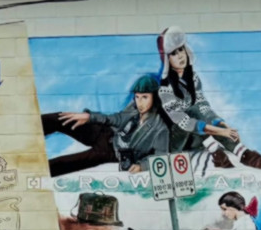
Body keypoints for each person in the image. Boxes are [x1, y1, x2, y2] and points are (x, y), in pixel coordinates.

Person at [155, 27, 261, 170]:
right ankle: (217, 153)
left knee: (199, 110)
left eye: (181, 50)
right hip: (178, 141)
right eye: (173, 53)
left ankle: (250, 158)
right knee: (192, 113)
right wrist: (221, 132)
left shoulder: (193, 79)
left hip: (198, 136)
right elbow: (185, 123)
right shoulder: (165, 90)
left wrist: (223, 125)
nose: (180, 56)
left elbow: (204, 107)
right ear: (167, 59)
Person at [42, 73, 171, 176]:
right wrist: (90, 117)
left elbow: (161, 157)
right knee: (64, 118)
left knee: (66, 163)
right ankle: (28, 130)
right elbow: (117, 119)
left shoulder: (160, 129)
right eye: (137, 97)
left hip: (111, 152)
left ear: (154, 97)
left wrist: (142, 166)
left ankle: (33, 170)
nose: (140, 102)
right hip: (106, 132)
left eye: (145, 97)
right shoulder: (134, 108)